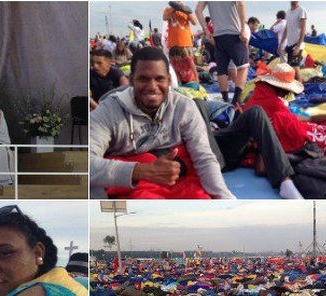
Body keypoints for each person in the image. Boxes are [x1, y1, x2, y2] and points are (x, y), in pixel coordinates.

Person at [90, 47, 234, 199]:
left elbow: (204, 158)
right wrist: (143, 171)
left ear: (169, 80)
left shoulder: (184, 107)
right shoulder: (109, 110)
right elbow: (84, 163)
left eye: (159, 79)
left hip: (178, 178)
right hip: (131, 183)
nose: (152, 87)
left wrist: (226, 202)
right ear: (131, 80)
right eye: (144, 79)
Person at [196, 1, 249, 105]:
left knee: (222, 71)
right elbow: (241, 4)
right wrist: (243, 28)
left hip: (218, 36)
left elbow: (198, 10)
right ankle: (236, 100)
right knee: (243, 67)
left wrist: (206, 31)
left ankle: (225, 100)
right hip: (234, 33)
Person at [163, 1, 200, 83]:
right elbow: (165, 18)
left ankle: (195, 80)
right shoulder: (168, 9)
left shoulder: (186, 10)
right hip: (173, 42)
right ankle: (178, 81)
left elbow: (195, 23)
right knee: (174, 65)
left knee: (189, 64)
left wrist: (184, 10)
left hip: (186, 42)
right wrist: (174, 8)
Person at [278, 2, 307, 82]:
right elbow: (287, 29)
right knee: (290, 68)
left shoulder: (301, 10)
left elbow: (303, 29)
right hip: (289, 44)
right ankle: (294, 87)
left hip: (297, 45)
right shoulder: (288, 12)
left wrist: (298, 46)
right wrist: (281, 44)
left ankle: (300, 89)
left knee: (295, 67)